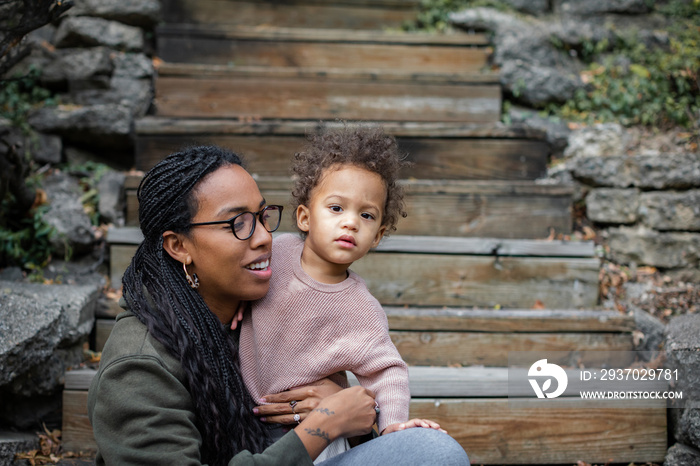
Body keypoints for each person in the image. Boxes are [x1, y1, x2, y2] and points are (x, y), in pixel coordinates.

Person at [87, 144, 470, 466]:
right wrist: (324, 424)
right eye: (237, 222)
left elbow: (367, 371)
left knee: (427, 450)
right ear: (179, 246)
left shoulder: (243, 305)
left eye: (262, 216)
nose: (264, 238)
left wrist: (349, 412)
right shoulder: (138, 367)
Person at [239, 124, 439, 462]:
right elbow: (237, 283)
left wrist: (392, 427)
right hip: (248, 417)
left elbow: (387, 371)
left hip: (319, 432)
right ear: (304, 216)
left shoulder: (361, 309)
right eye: (336, 208)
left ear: (378, 235)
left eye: (366, 215)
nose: (350, 223)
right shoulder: (277, 254)